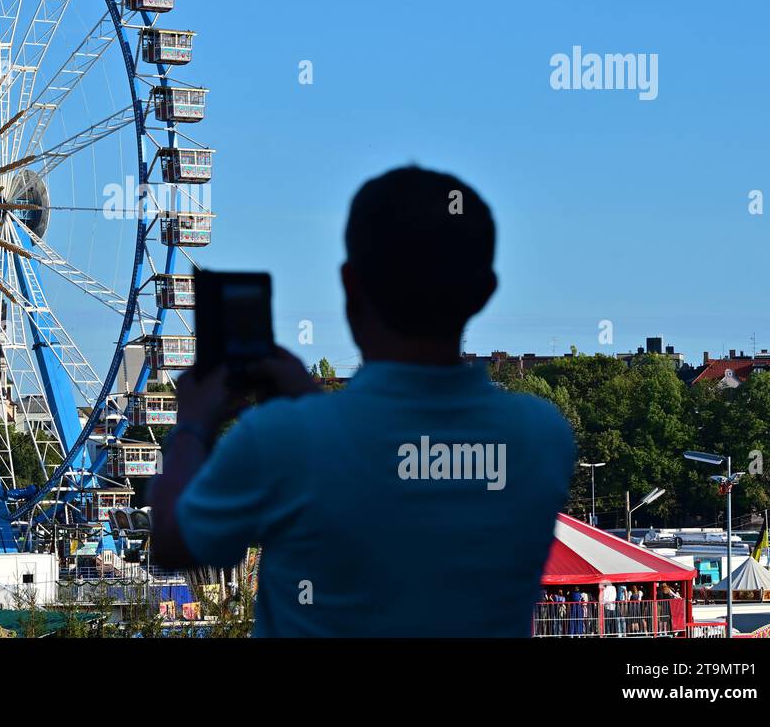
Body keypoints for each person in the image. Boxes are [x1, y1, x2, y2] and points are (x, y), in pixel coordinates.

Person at [149, 166, 577, 636]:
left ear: (350, 285)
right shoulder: (542, 436)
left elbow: (174, 542)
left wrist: (191, 424)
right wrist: (310, 405)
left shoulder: (281, 440)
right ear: (485, 292)